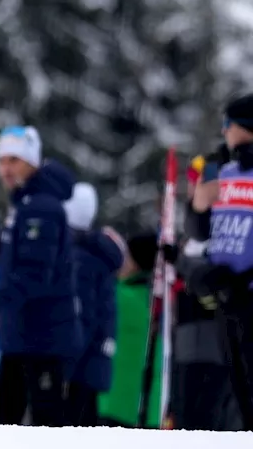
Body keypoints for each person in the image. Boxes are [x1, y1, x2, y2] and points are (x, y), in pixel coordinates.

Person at [0, 125, 81, 426]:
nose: (5, 169)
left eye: (13, 160)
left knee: (41, 425)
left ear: (32, 162)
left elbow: (35, 277)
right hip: (20, 335)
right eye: (1, 161)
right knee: (4, 415)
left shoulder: (41, 207)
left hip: (43, 339)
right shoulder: (24, 204)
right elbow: (19, 263)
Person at [188, 94, 253, 429]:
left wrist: (241, 280)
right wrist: (199, 201)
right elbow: (198, 230)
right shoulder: (222, 168)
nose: (224, 131)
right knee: (241, 395)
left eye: (228, 124)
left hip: (247, 292)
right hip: (228, 300)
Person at [169, 150, 241, 430]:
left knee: (207, 418)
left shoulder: (221, 221)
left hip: (210, 342)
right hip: (189, 339)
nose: (193, 189)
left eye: (198, 182)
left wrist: (185, 265)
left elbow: (211, 276)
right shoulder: (195, 225)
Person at [62, 182, 121, 425]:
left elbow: (82, 315)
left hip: (79, 365)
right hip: (92, 362)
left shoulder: (80, 260)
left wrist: (64, 362)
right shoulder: (96, 255)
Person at [98, 232, 161, 427]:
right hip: (151, 408)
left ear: (134, 263)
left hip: (114, 403)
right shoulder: (157, 302)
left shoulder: (118, 297)